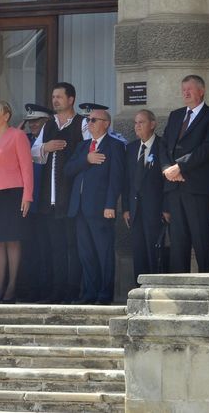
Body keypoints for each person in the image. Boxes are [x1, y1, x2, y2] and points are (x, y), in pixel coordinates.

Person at [161, 75, 209, 273]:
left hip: (198, 188)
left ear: (201, 91)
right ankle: (179, 286)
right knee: (178, 242)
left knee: (201, 241)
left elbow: (207, 149)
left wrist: (179, 167)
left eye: (189, 89)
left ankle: (208, 286)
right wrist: (167, 169)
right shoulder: (175, 115)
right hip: (174, 187)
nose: (185, 93)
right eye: (183, 90)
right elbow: (164, 145)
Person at [31, 82, 85, 303]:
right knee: (55, 247)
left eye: (59, 97)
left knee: (73, 246)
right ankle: (57, 290)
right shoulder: (49, 125)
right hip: (50, 199)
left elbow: (91, 149)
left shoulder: (82, 123)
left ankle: (74, 290)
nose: (55, 100)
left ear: (71, 99)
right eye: (53, 97)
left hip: (71, 197)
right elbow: (33, 151)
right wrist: (46, 147)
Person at [65, 107, 124, 305]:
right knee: (86, 253)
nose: (89, 123)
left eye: (93, 120)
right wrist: (87, 160)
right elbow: (68, 169)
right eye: (88, 120)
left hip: (101, 209)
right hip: (79, 208)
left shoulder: (114, 146)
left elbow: (116, 178)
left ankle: (104, 294)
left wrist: (110, 204)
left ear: (106, 124)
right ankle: (90, 293)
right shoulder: (83, 147)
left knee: (103, 253)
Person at [0, 100, 33, 303]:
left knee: (12, 239)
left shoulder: (18, 136)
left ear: (6, 116)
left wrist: (27, 195)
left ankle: (11, 286)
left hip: (12, 193)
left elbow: (27, 168)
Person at [122, 110, 168, 285]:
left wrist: (166, 208)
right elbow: (126, 181)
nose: (137, 126)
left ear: (153, 124)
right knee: (138, 251)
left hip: (155, 210)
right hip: (135, 211)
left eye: (141, 122)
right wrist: (126, 208)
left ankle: (155, 289)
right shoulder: (131, 148)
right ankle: (139, 289)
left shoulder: (162, 145)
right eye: (135, 123)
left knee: (154, 251)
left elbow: (167, 181)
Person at [20, 103, 53, 301]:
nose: (32, 125)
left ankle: (46, 289)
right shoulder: (24, 140)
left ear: (47, 122)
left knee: (45, 249)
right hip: (27, 206)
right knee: (29, 249)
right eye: (29, 122)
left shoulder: (51, 141)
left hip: (45, 204)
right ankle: (30, 289)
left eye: (37, 121)